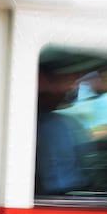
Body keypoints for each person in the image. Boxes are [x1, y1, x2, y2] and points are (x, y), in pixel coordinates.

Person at [34, 65, 92, 196]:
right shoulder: (54, 121)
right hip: (62, 191)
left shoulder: (46, 120)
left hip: (53, 191)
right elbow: (84, 150)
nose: (65, 94)